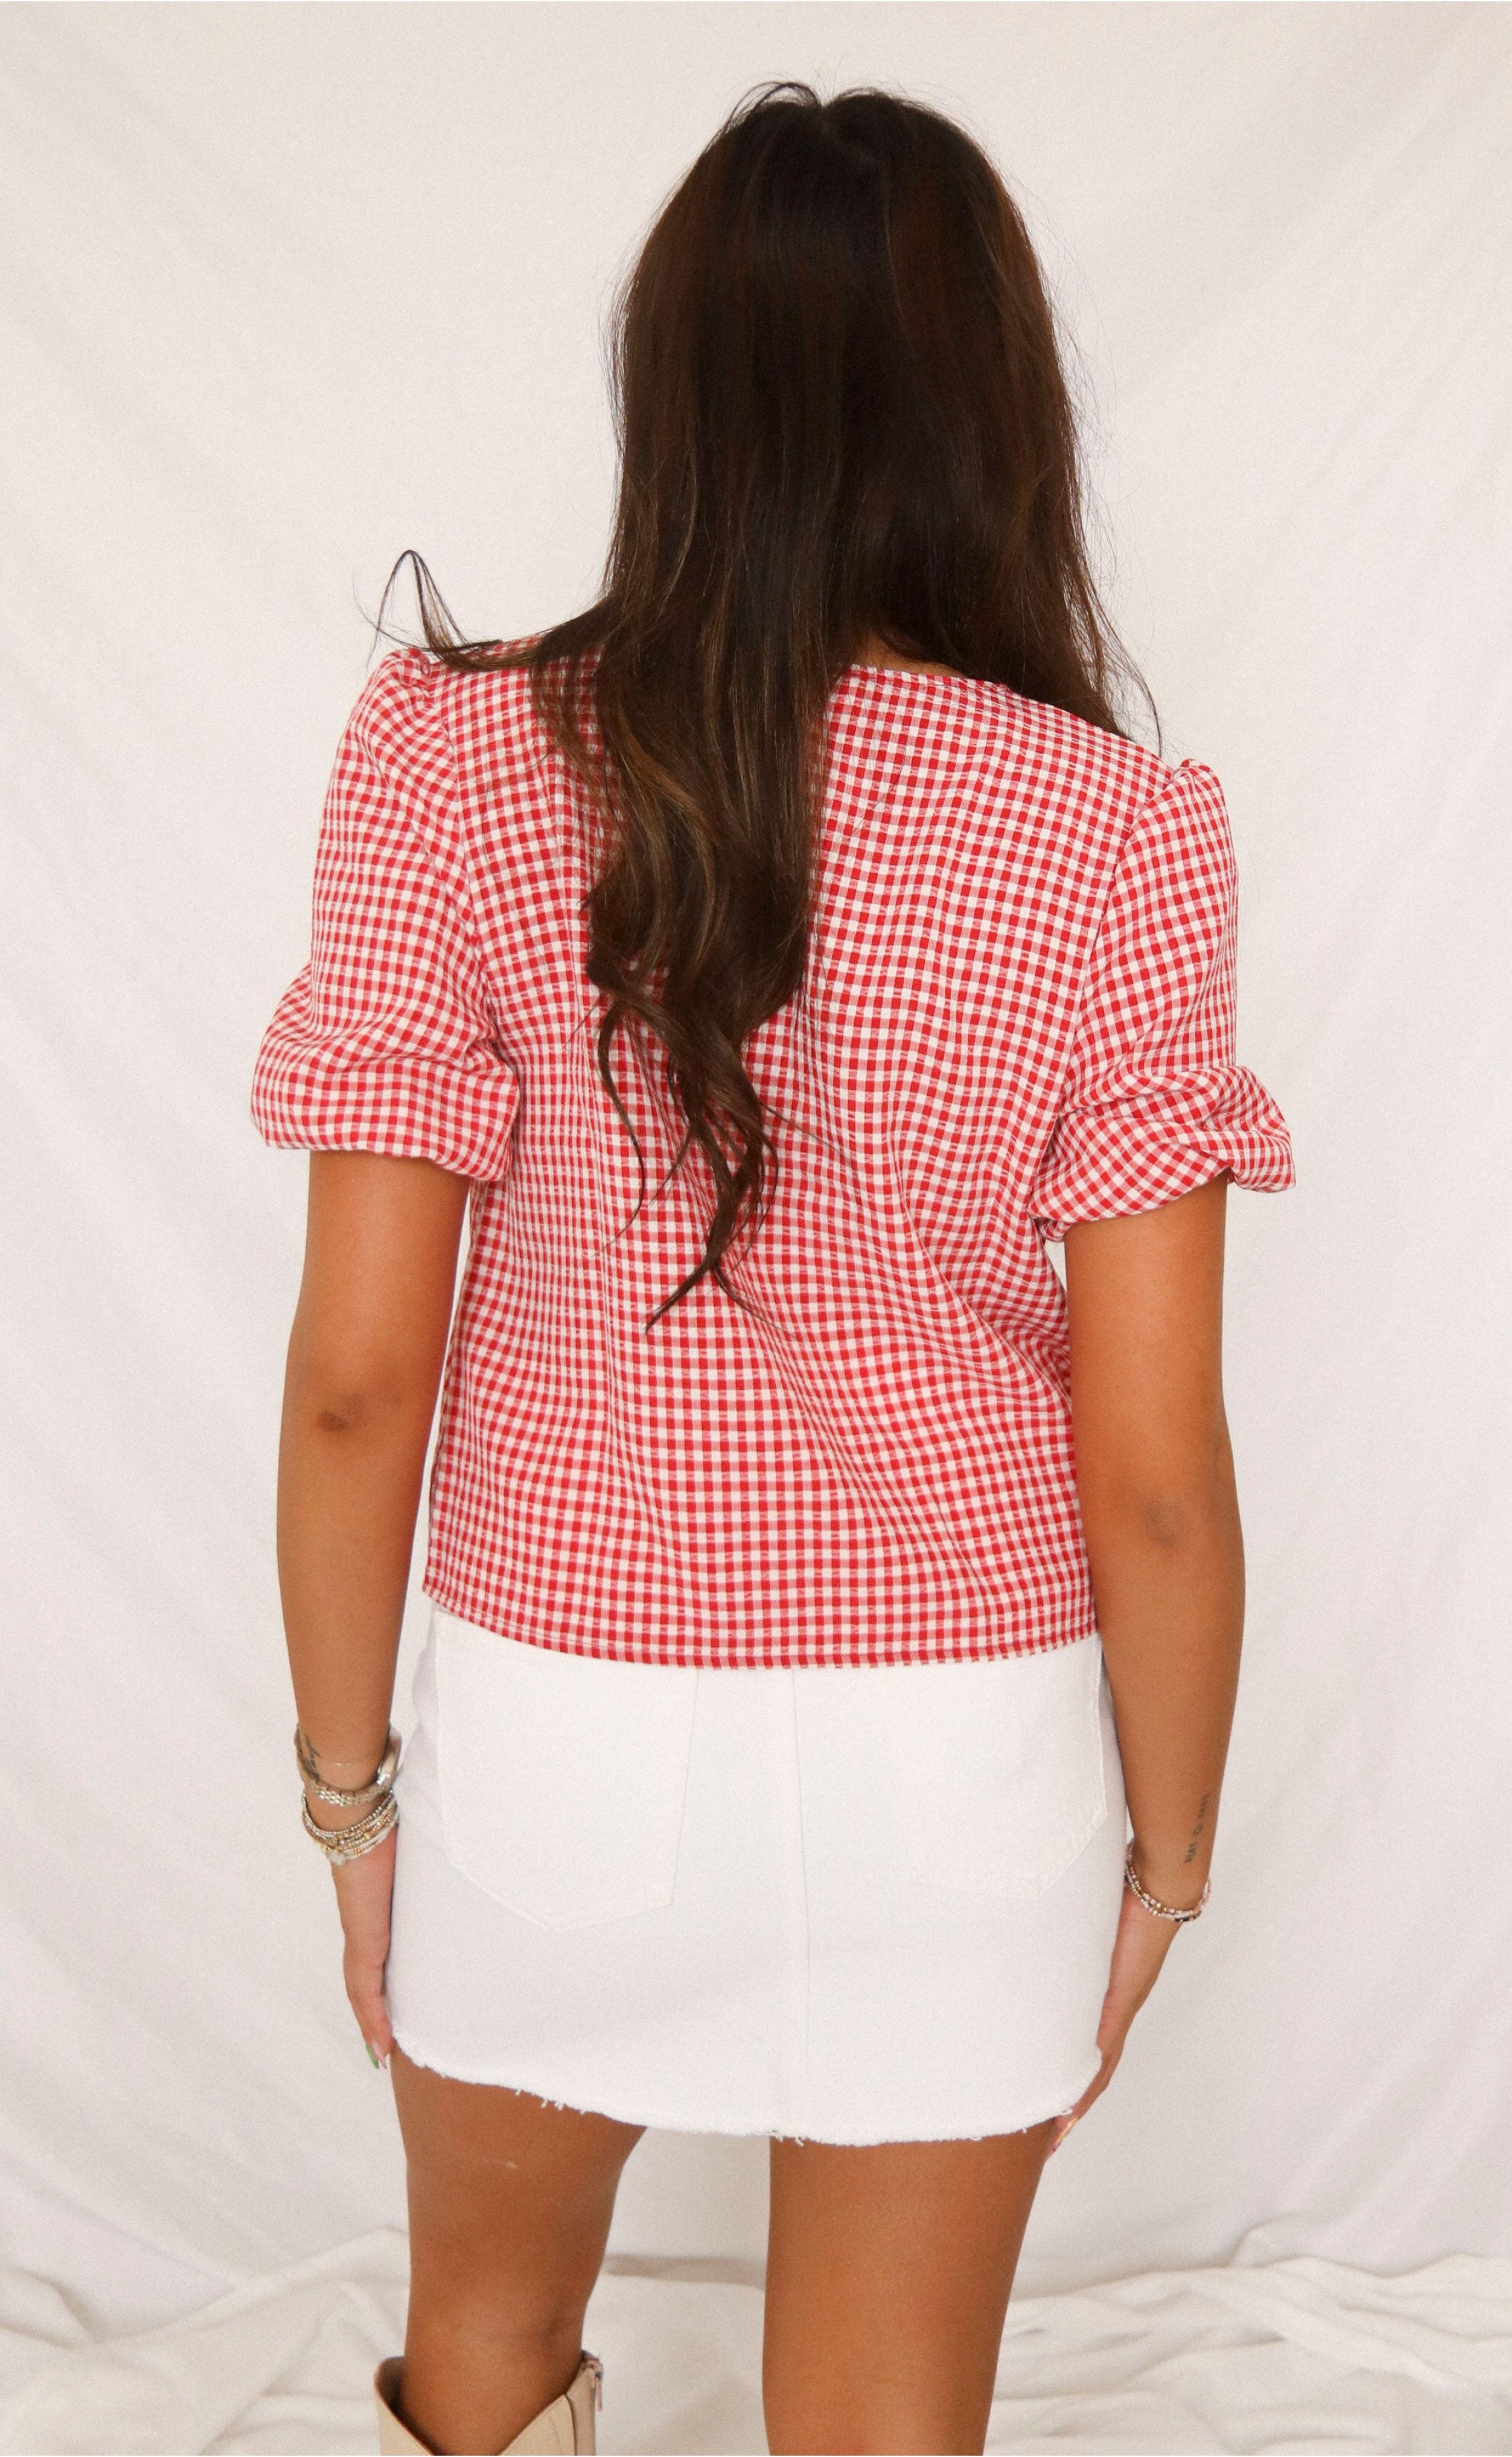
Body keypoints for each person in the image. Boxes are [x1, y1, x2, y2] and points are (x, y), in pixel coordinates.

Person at [253, 81, 1293, 2457]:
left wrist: (350, 1807)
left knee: (481, 2357)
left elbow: (354, 1381)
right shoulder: (1117, 827)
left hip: (559, 1729)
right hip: (967, 1762)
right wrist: (1167, 1862)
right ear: (997, 415)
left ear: (675, 395)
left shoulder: (448, 760)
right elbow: (1156, 1464)